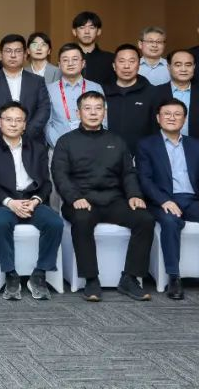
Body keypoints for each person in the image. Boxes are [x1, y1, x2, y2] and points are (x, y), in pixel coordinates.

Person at [51, 91, 153, 302]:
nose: (93, 113)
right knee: (82, 220)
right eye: (87, 108)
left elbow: (128, 173)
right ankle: (91, 279)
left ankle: (130, 278)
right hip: (80, 200)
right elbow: (60, 175)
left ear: (104, 112)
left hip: (113, 199)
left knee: (145, 219)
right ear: (78, 113)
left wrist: (134, 195)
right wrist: (74, 197)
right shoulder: (66, 141)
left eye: (98, 108)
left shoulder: (117, 141)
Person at [136, 99, 199, 300]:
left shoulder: (196, 145)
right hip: (163, 201)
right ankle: (174, 276)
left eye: (177, 114)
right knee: (170, 221)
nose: (172, 118)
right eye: (167, 114)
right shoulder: (146, 145)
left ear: (184, 119)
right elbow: (145, 179)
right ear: (158, 118)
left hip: (192, 200)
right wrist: (164, 201)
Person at [0, 101, 63, 301]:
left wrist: (35, 200)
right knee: (1, 223)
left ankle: (39, 274)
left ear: (25, 124)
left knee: (55, 222)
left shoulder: (37, 149)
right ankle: (11, 275)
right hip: (3, 203)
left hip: (31, 201)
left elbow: (46, 184)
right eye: (8, 119)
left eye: (18, 120)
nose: (13, 124)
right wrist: (10, 202)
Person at [153, 49, 199, 168]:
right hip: (162, 155)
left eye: (188, 65)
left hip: (197, 156)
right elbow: (150, 127)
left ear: (194, 67)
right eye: (178, 65)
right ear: (169, 67)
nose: (183, 69)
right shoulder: (156, 93)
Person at [0, 34, 50, 142]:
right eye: (8, 51)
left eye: (18, 51)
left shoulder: (37, 81)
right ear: (0, 55)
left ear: (25, 54)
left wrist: (26, 135)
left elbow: (43, 109)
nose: (13, 55)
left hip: (31, 142)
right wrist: (2, 135)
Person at [46, 43, 106, 148]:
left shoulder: (95, 87)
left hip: (93, 149)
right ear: (59, 65)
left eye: (75, 59)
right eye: (65, 60)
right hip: (59, 150)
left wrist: (95, 145)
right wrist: (60, 146)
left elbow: (103, 120)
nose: (70, 63)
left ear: (83, 63)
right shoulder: (49, 90)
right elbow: (47, 125)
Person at [103, 44, 159, 153]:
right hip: (107, 154)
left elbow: (156, 130)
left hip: (142, 155)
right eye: (122, 61)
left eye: (132, 61)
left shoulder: (152, 92)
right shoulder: (102, 92)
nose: (126, 66)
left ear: (139, 65)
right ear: (114, 65)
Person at [72, 11, 115, 86]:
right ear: (74, 31)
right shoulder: (67, 59)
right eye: (82, 27)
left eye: (92, 27)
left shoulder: (110, 59)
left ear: (98, 31)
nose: (87, 32)